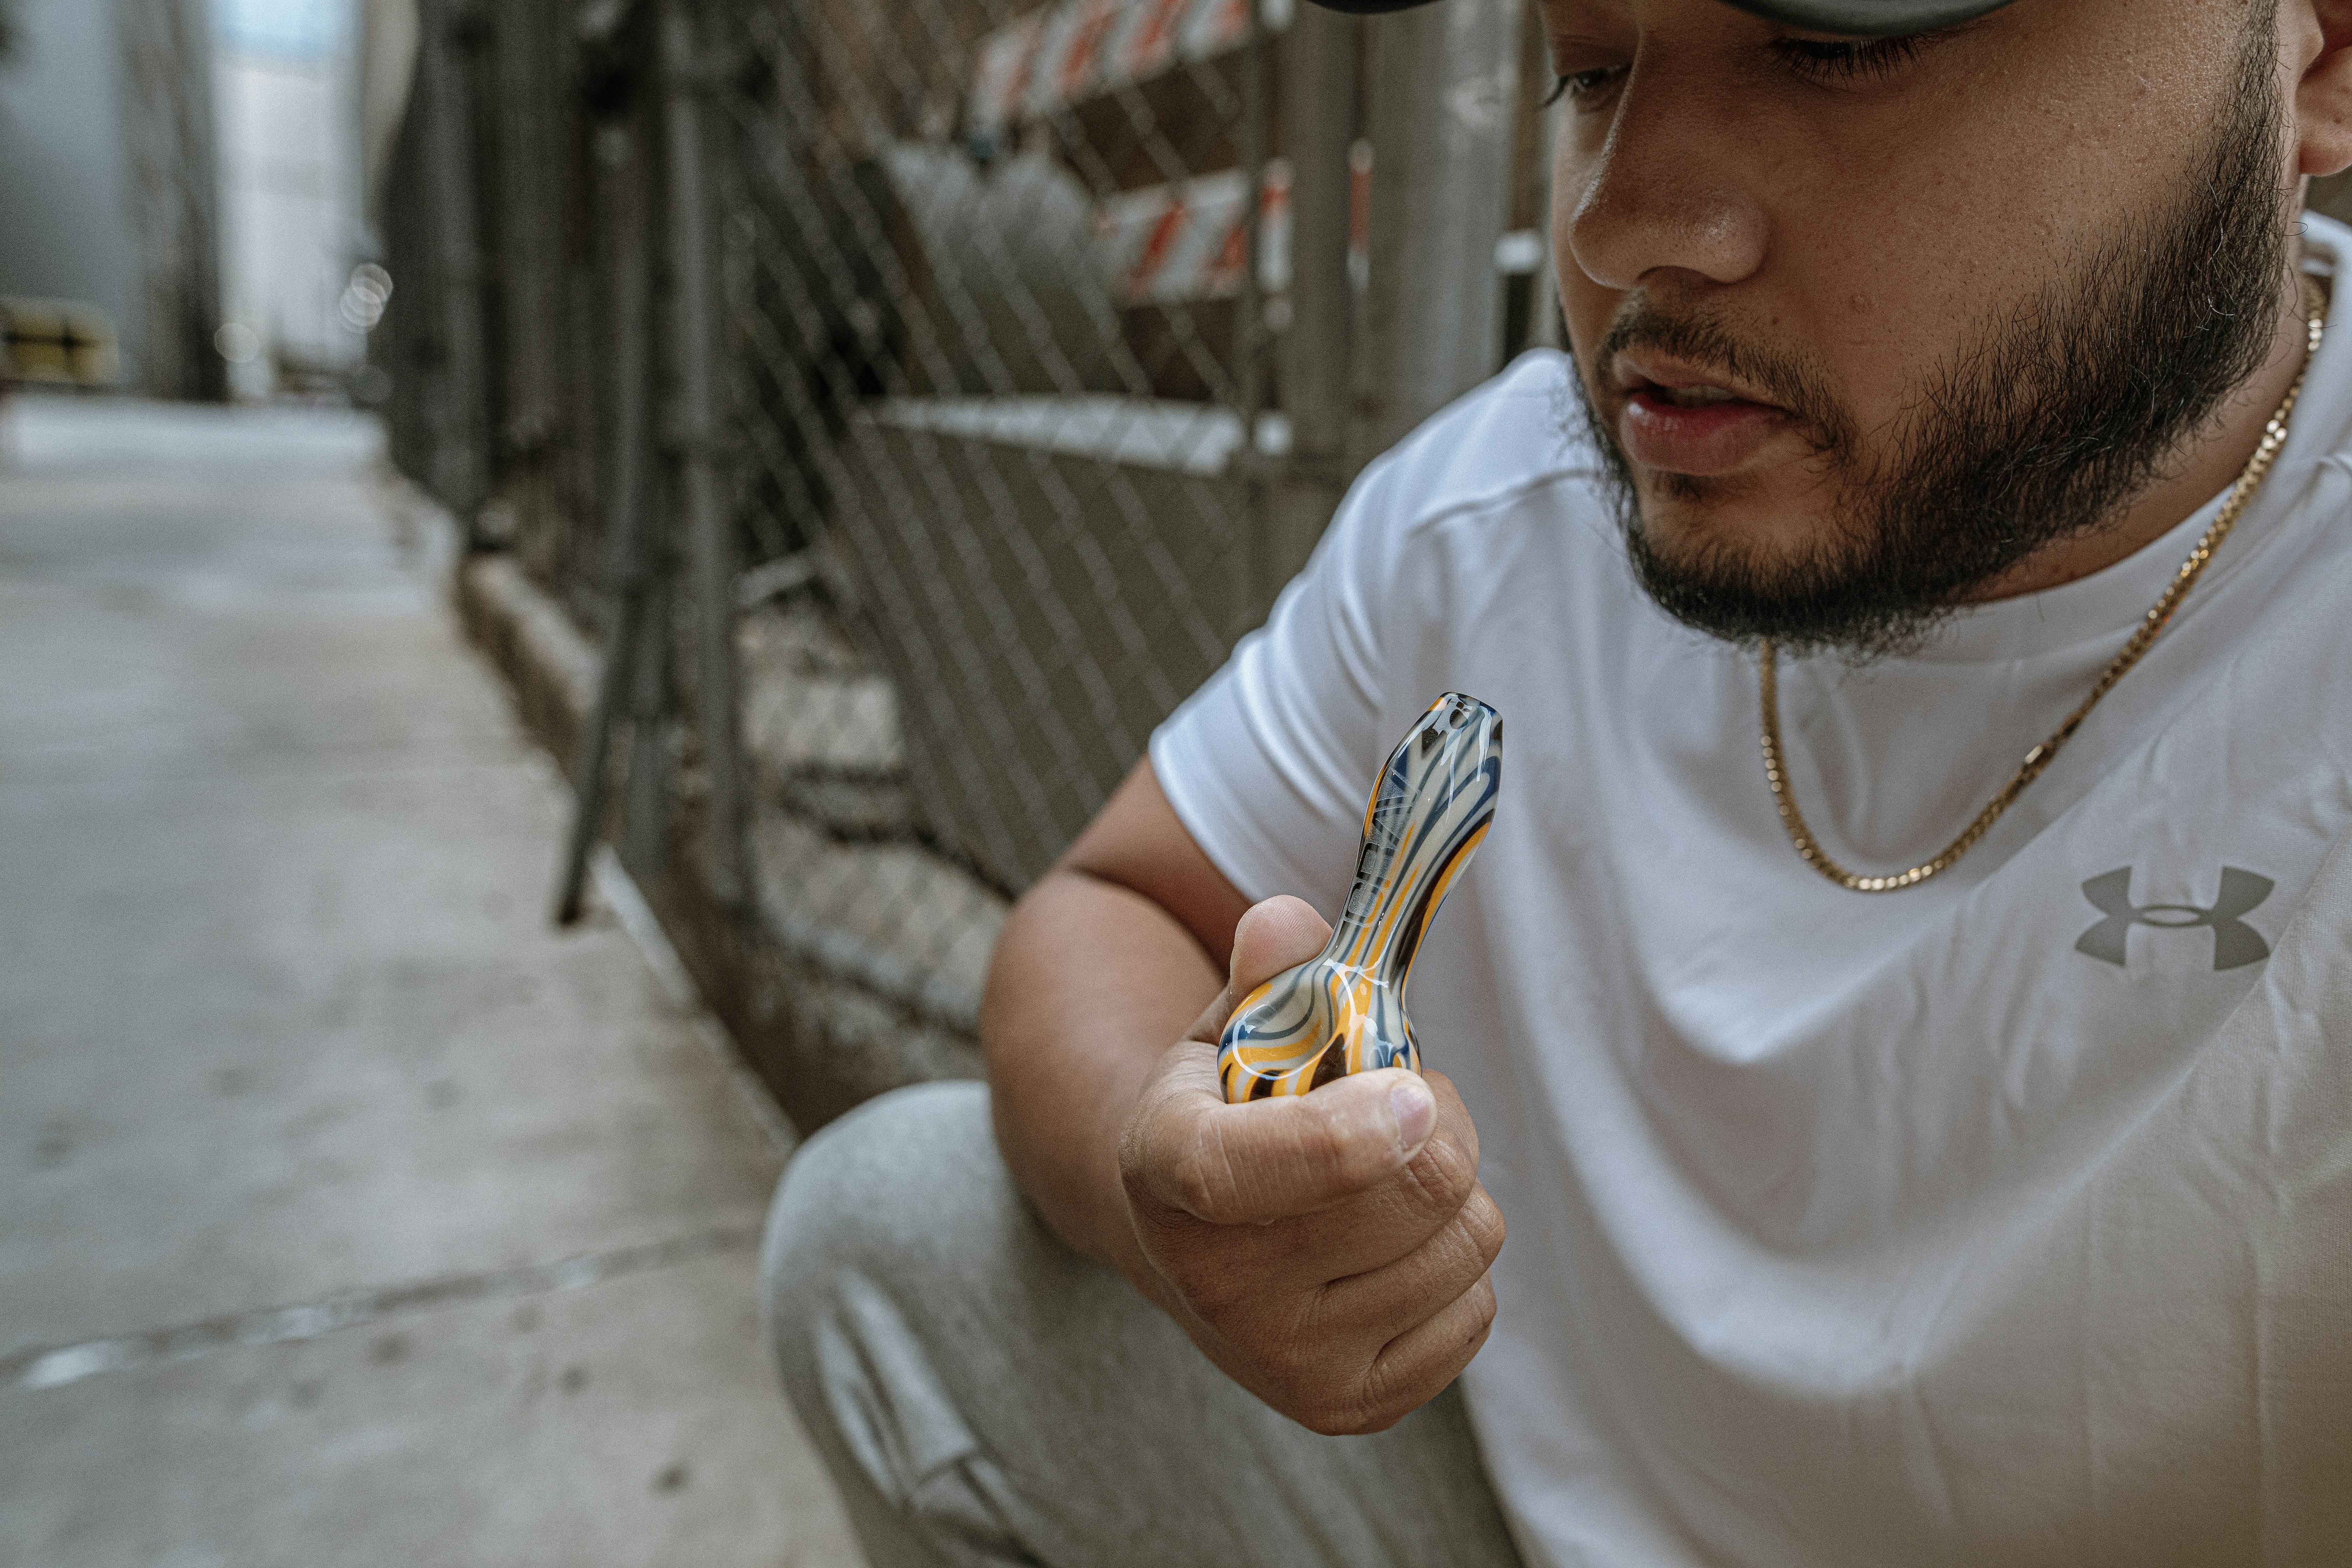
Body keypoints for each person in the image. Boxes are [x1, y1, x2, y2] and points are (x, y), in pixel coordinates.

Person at [763, 0, 2352, 1562]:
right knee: (898, 1235)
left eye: (1839, 44)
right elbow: (1119, 905)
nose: (1620, 225)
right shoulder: (1502, 514)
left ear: (2317, 50)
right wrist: (1194, 1193)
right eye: (1587, 68)